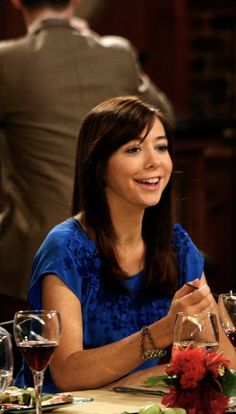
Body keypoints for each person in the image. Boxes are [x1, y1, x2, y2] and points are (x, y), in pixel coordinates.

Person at [14, 96, 236, 393]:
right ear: (99, 167)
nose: (154, 162)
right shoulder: (66, 247)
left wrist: (205, 329)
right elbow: (67, 372)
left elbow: (228, 364)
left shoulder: (176, 244)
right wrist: (163, 332)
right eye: (133, 149)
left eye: (161, 147)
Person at [0, 0, 174, 304]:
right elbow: (165, 117)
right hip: (120, 249)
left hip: (32, 250)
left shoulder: (7, 60)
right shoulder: (117, 53)